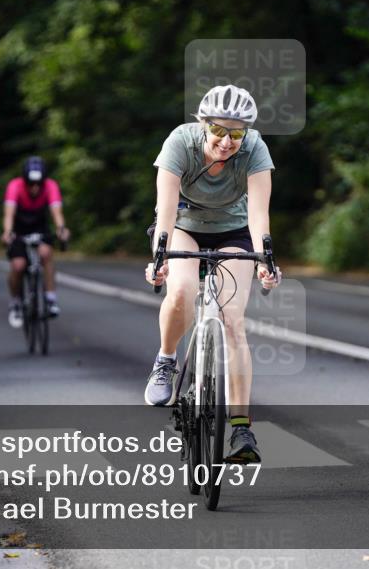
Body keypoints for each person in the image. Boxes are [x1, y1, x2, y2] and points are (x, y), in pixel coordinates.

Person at [144, 85, 281, 464]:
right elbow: (166, 208)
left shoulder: (255, 149)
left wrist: (265, 259)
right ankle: (166, 360)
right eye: (219, 130)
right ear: (203, 124)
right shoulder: (180, 143)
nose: (226, 141)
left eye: (236, 133)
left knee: (233, 320)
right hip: (183, 226)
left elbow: (257, 213)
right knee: (184, 290)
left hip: (233, 231)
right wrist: (162, 257)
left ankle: (240, 428)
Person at [2, 156, 71, 328]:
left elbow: (56, 213)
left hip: (40, 226)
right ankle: (16, 303)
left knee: (46, 253)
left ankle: (50, 299)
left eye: (38, 184)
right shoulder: (14, 186)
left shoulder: (50, 186)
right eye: (31, 184)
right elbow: (9, 214)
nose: (35, 187)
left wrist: (61, 230)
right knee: (18, 265)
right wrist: (8, 233)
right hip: (19, 228)